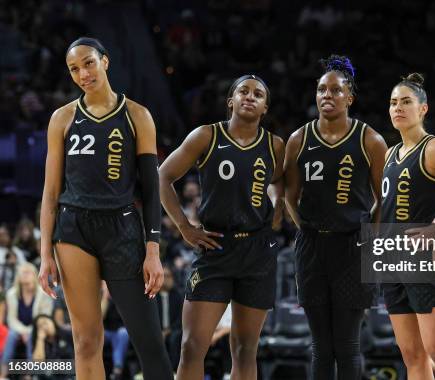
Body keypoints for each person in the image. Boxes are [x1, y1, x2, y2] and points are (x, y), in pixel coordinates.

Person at [38, 37, 173, 380]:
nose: (83, 73)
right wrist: (44, 254)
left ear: (105, 62)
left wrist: (153, 249)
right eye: (74, 69)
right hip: (73, 230)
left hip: (123, 230)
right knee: (86, 342)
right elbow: (51, 192)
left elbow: (152, 190)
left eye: (88, 63)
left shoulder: (137, 116)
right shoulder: (62, 118)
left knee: (150, 344)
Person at [159, 74, 284, 380]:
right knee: (191, 346)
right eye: (243, 91)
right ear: (231, 101)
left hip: (256, 250)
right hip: (214, 248)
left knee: (244, 349)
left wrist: (278, 213)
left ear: (265, 107)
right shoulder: (206, 135)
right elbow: (162, 176)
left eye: (258, 93)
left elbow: (283, 182)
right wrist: (185, 228)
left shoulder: (276, 145)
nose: (250, 96)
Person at [284, 55, 387, 379]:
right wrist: (307, 230)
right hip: (312, 247)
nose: (327, 96)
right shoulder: (299, 139)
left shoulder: (370, 139)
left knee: (347, 344)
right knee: (321, 347)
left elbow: (384, 197)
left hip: (353, 248)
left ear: (350, 98)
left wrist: (367, 234)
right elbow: (289, 196)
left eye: (335, 90)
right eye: (321, 90)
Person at [380, 73, 435, 379]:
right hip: (392, 260)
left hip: (425, 261)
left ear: (423, 108)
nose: (399, 107)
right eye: (394, 102)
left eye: (406, 102)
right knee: (412, 355)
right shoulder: (389, 154)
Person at [1, 262, 54, 376]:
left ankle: (30, 375)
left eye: (28, 272)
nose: (25, 275)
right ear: (18, 277)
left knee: (32, 336)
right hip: (17, 329)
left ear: (35, 275)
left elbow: (44, 319)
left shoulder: (43, 294)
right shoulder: (11, 294)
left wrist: (30, 331)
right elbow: (11, 320)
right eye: (22, 272)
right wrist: (24, 331)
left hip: (37, 328)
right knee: (11, 335)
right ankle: (3, 375)